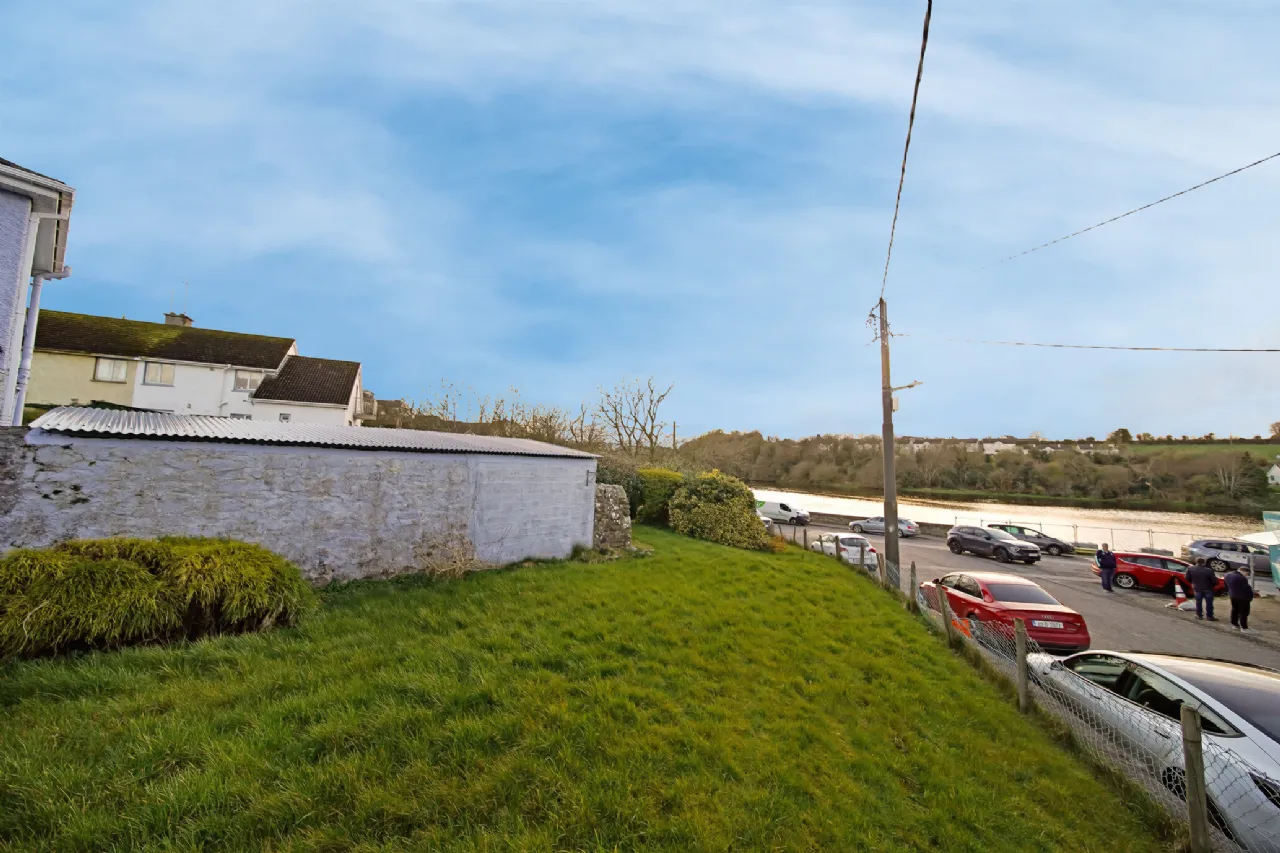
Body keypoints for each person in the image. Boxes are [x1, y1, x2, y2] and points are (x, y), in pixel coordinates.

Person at [1223, 565, 1254, 633]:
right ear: (1244, 571)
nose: (1247, 575)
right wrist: (1251, 596)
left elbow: (1226, 585)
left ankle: (1234, 624)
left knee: (1235, 610)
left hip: (1233, 596)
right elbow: (1246, 589)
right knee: (1243, 612)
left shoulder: (1227, 575)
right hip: (1243, 598)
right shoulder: (1242, 578)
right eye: (1247, 574)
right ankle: (1244, 628)